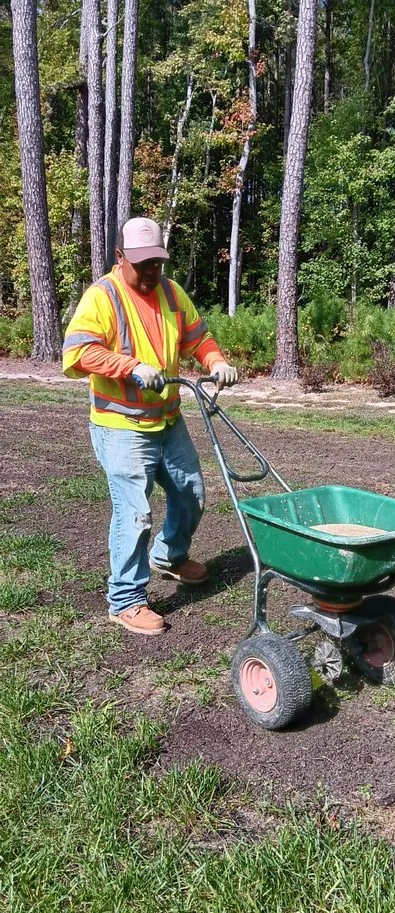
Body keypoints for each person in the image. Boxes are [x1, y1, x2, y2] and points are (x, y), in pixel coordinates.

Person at [62, 217, 237, 636]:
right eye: (142, 264)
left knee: (191, 493)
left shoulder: (172, 293)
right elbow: (77, 353)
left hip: (168, 420)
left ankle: (169, 556)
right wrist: (130, 366)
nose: (151, 271)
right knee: (135, 512)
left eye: (157, 262)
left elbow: (198, 337)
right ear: (120, 257)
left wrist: (215, 361)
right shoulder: (103, 296)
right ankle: (125, 600)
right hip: (121, 425)